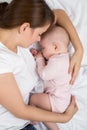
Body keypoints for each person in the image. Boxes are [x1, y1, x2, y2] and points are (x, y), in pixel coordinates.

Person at [0, 0, 78, 130]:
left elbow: (59, 14)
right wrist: (64, 118)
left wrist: (79, 50)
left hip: (25, 123)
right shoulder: (3, 60)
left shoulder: (18, 37)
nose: (39, 40)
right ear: (25, 27)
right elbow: (21, 110)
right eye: (39, 34)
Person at [30, 26, 72, 130]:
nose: (42, 51)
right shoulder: (64, 58)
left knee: (33, 99)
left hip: (56, 100)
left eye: (43, 48)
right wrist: (41, 57)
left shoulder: (57, 62)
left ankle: (33, 118)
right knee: (44, 113)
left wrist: (39, 59)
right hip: (61, 101)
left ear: (55, 47)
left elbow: (44, 74)